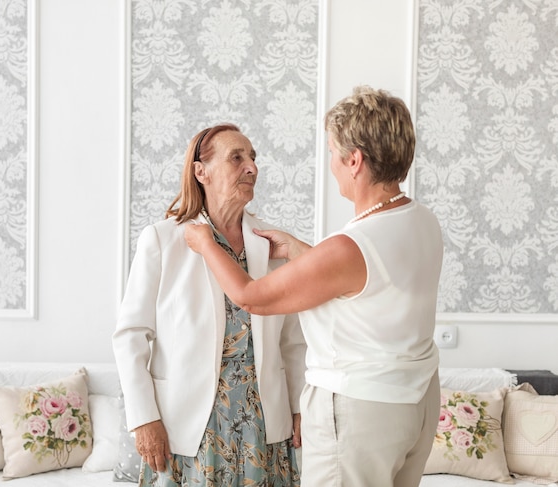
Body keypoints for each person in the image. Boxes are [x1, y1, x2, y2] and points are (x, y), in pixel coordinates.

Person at [185, 86, 444, 487]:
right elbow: (367, 288)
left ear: (354, 160)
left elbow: (251, 297)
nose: (332, 163)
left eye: (332, 152)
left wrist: (204, 243)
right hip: (415, 405)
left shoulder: (351, 246)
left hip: (361, 415)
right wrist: (304, 252)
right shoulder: (422, 220)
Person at [112, 123, 306, 487]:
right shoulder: (163, 239)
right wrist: (143, 419)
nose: (252, 167)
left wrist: (298, 408)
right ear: (201, 171)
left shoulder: (272, 244)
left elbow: (292, 341)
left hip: (263, 424)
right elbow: (130, 336)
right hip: (187, 427)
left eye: (253, 158)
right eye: (237, 158)